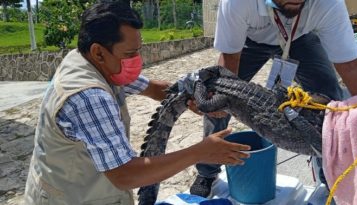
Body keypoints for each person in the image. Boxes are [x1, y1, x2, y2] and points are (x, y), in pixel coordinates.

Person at [23, 2, 251, 204]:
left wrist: (194, 99)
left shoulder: (92, 61)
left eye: (138, 51)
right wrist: (200, 152)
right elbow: (125, 175)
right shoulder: (88, 96)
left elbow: (154, 88)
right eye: (130, 53)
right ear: (99, 52)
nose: (136, 61)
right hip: (70, 197)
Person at [190, 0, 357, 198]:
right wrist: (221, 99)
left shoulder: (328, 3)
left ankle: (331, 175)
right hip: (250, 40)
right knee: (219, 93)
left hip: (301, 38)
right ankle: (207, 172)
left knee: (330, 96)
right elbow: (229, 61)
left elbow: (351, 66)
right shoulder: (237, 2)